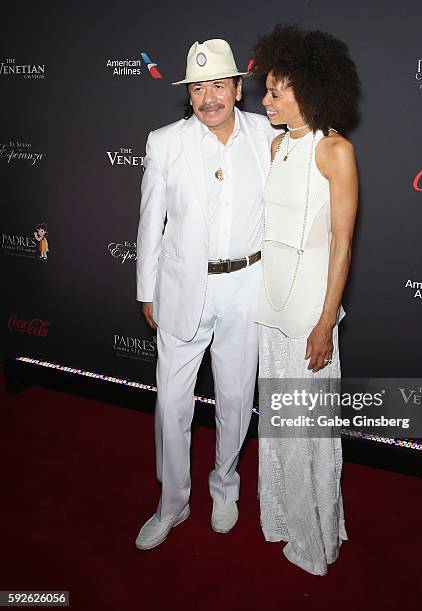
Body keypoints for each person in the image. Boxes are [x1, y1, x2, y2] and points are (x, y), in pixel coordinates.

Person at [135, 38, 276, 550]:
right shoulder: (165, 142)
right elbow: (151, 222)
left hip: (246, 286)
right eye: (198, 88)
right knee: (172, 403)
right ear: (188, 95)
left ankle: (225, 485)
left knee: (236, 399)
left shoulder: (268, 136)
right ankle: (172, 502)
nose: (208, 97)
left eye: (219, 84)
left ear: (239, 89)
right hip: (180, 288)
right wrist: (146, 288)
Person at [252, 24, 360, 575]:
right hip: (269, 308)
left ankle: (315, 537)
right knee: (277, 425)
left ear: (310, 90)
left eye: (276, 91)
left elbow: (342, 245)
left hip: (308, 314)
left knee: (308, 429)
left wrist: (325, 323)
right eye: (267, 91)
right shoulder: (276, 144)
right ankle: (282, 521)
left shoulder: (335, 151)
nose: (265, 100)